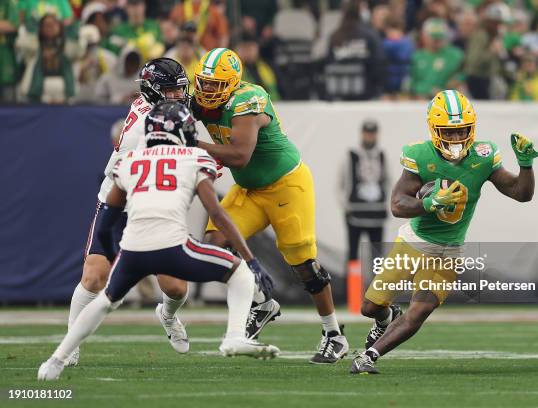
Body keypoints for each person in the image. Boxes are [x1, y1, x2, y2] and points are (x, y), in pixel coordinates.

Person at [38, 101, 279, 381]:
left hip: (133, 248)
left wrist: (115, 251)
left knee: (106, 301)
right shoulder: (194, 158)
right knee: (239, 273)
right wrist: (250, 258)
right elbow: (216, 211)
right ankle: (235, 336)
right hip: (172, 246)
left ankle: (55, 361)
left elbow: (107, 217)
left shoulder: (130, 161)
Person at [350, 89, 538, 374]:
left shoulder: (483, 155)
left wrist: (526, 165)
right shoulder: (419, 154)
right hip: (414, 242)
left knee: (421, 309)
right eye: (448, 132)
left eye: (461, 131)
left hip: (449, 250)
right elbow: (397, 204)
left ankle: (369, 356)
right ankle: (386, 317)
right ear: (434, 130)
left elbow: (520, 193)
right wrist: (429, 203)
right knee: (369, 307)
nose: (455, 139)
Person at [191, 48, 349, 364]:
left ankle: (334, 335)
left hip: (286, 184)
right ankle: (262, 302)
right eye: (204, 83)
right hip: (250, 189)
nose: (207, 91)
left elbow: (239, 155)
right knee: (215, 246)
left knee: (303, 262)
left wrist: (189, 142)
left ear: (233, 83)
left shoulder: (248, 100)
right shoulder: (197, 101)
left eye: (215, 85)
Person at [66, 58, 192, 368]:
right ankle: (70, 343)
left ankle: (167, 315)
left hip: (152, 204)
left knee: (175, 288)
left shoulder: (160, 108)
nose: (178, 98)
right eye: (170, 92)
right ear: (153, 92)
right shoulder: (146, 129)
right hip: (120, 200)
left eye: (179, 91)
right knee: (94, 277)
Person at [340, 119, 389, 262]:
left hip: (376, 214)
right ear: (362, 134)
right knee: (353, 255)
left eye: (372, 133)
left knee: (377, 256)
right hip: (355, 212)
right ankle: (353, 285)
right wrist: (345, 205)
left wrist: (386, 202)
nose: (370, 136)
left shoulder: (382, 155)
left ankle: (376, 284)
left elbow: (388, 180)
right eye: (367, 133)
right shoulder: (351, 155)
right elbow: (340, 183)